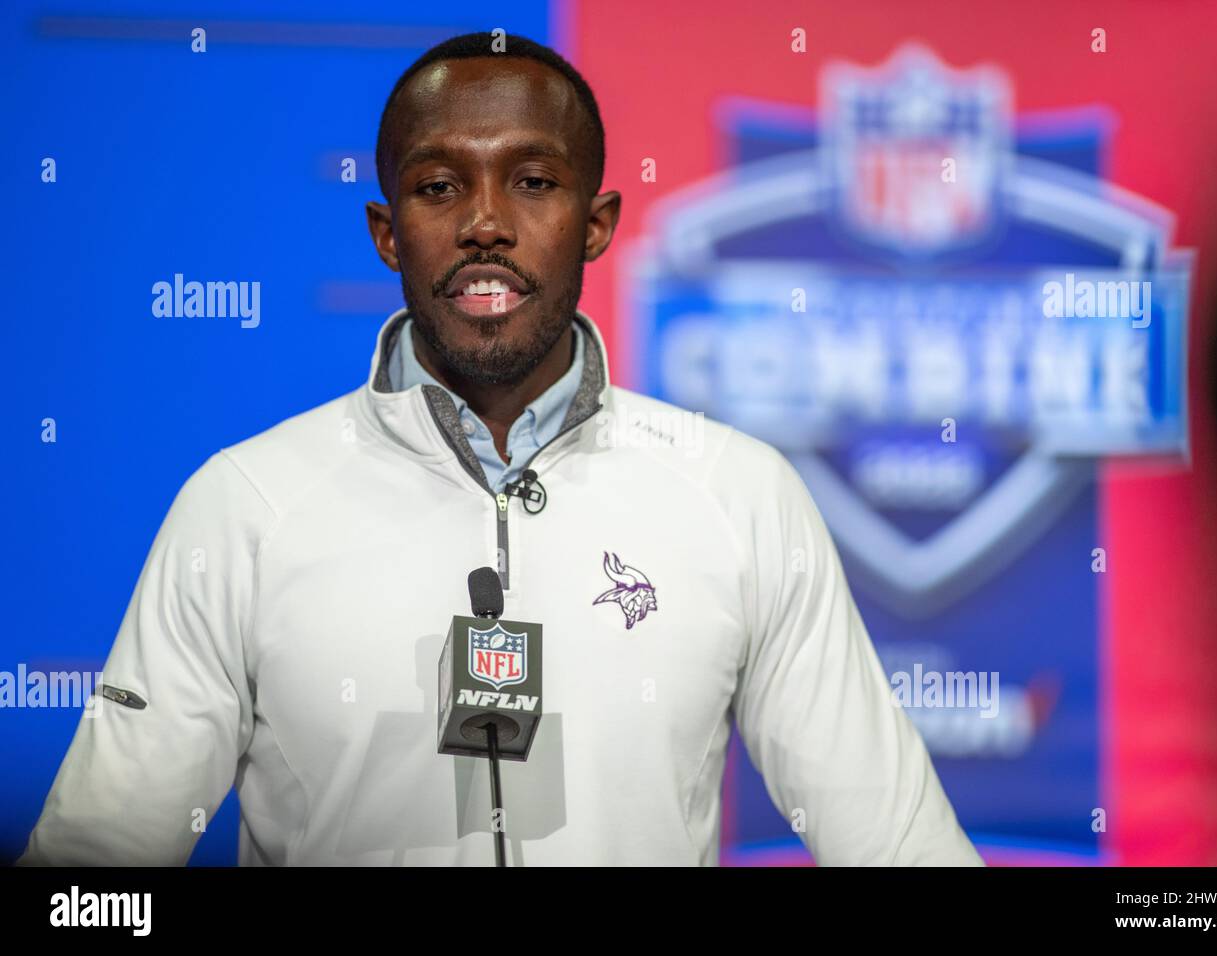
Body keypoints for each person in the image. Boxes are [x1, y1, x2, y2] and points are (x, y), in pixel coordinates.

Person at [19, 32, 982, 866]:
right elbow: (94, 873)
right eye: (440, 187)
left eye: (533, 181)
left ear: (596, 224)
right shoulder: (244, 507)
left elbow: (897, 845)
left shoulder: (739, 497)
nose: (485, 223)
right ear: (388, 235)